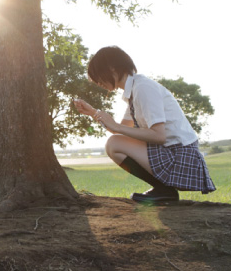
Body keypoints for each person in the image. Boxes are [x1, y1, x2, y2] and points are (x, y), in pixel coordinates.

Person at [73, 46, 215, 203]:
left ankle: (165, 191)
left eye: (98, 75)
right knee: (114, 144)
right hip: (170, 151)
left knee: (113, 144)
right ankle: (163, 190)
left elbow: (159, 136)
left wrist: (116, 127)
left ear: (112, 68)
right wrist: (93, 113)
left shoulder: (143, 88)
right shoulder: (134, 91)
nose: (97, 82)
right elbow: (118, 130)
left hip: (181, 157)